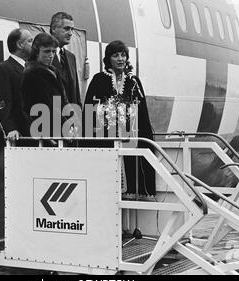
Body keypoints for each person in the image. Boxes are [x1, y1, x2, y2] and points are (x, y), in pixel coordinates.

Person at [84, 40, 156, 196]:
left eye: (123, 55)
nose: (120, 59)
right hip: (105, 138)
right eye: (116, 55)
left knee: (132, 174)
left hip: (130, 137)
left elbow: (142, 112)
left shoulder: (133, 80)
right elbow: (89, 111)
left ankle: (135, 194)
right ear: (108, 59)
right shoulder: (98, 79)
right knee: (107, 183)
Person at [22, 33, 69, 138]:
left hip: (60, 125)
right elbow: (44, 106)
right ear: (36, 51)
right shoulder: (32, 72)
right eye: (47, 51)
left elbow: (63, 100)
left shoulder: (53, 70)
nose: (51, 55)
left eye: (53, 51)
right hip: (46, 130)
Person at [0, 28, 33, 141]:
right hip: (20, 134)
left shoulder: (33, 68)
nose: (34, 45)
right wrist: (10, 128)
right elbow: (0, 103)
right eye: (30, 41)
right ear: (20, 44)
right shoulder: (4, 69)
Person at [50, 12, 82, 107]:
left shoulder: (71, 57)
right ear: (54, 29)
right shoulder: (41, 55)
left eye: (72, 29)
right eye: (66, 29)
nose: (70, 33)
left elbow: (76, 93)